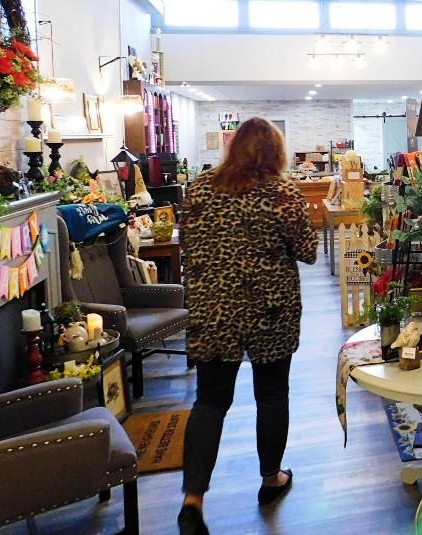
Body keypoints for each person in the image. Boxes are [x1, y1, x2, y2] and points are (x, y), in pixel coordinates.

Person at [177, 117, 319, 534]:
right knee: (271, 395)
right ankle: (270, 478)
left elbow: (188, 247)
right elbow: (308, 251)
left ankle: (192, 501)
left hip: (214, 309)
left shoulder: (199, 189)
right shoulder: (283, 193)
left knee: (209, 401)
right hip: (269, 310)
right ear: (276, 152)